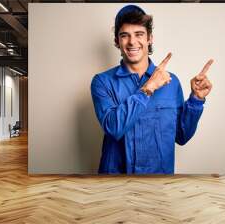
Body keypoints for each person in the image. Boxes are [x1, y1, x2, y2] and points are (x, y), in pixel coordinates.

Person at [90, 5, 213, 174]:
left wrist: (196, 100)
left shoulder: (171, 82)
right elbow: (113, 128)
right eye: (125, 35)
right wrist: (147, 89)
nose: (132, 42)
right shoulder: (102, 82)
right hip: (115, 182)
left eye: (139, 34)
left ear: (149, 39)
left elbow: (182, 136)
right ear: (117, 42)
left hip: (159, 181)